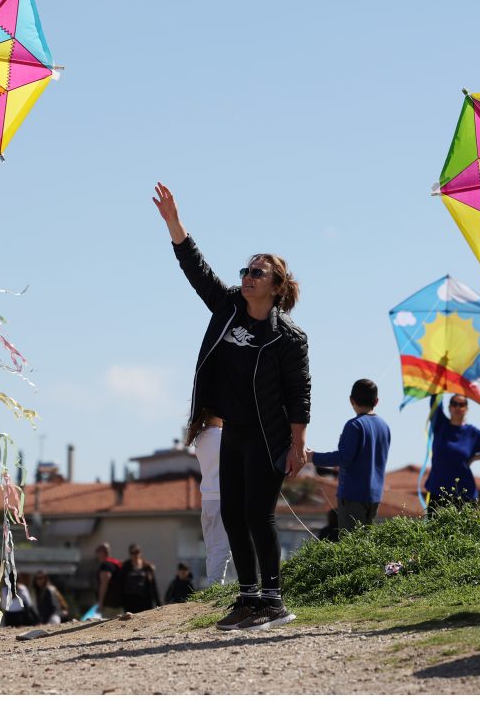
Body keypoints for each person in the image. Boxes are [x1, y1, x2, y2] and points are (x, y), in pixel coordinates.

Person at [154, 183, 311, 632]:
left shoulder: (288, 337)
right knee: (231, 514)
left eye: (258, 272)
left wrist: (297, 444)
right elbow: (197, 269)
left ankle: (274, 602)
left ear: (276, 287)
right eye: (246, 270)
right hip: (234, 430)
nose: (248, 276)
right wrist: (175, 225)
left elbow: (300, 392)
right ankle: (248, 599)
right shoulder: (227, 308)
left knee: (258, 515)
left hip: (269, 434)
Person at [311, 379, 391, 532]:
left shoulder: (354, 425)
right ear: (376, 401)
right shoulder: (384, 426)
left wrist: (312, 457)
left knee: (351, 542)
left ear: (351, 400)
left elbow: (343, 458)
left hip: (353, 495)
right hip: (374, 495)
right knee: (366, 541)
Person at [424, 394, 480, 509]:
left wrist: (474, 458)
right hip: (437, 491)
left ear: (467, 409)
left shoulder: (473, 433)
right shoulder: (440, 424)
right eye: (454, 404)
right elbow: (435, 402)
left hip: (463, 494)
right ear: (449, 407)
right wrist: (441, 386)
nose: (457, 407)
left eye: (461, 405)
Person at [185, 409, 233, 585]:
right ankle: (215, 584)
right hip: (222, 496)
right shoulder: (223, 436)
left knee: (212, 546)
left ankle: (213, 583)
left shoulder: (200, 438)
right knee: (223, 546)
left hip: (207, 498)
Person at [120, 544, 161, 614]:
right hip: (130, 600)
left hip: (144, 600)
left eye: (137, 552)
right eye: (132, 553)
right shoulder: (125, 566)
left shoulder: (147, 567)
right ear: (130, 554)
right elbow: (121, 583)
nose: (135, 555)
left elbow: (153, 585)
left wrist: (158, 602)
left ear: (140, 552)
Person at [94, 543, 124, 618]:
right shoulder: (116, 563)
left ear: (102, 553)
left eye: (97, 551)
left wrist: (101, 602)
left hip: (109, 604)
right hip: (119, 602)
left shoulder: (106, 565)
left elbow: (104, 584)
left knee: (107, 623)